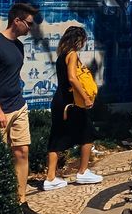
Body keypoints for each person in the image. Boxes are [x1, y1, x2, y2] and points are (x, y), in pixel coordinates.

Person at [0, 2, 41, 214]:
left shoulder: (19, 46)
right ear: (16, 21)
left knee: (22, 152)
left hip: (18, 106)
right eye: (29, 23)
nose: (30, 28)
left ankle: (20, 201)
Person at [44, 25, 103, 191]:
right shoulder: (72, 54)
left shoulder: (61, 55)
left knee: (56, 136)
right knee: (88, 133)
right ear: (78, 40)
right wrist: (85, 97)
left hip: (59, 101)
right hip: (71, 102)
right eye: (83, 40)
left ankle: (50, 178)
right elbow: (72, 78)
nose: (83, 44)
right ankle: (83, 172)